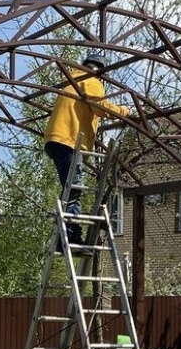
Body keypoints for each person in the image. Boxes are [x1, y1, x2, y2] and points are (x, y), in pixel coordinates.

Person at [43, 53, 128, 245]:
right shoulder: (90, 80)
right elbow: (101, 107)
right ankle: (69, 235)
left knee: (70, 188)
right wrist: (124, 111)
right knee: (74, 188)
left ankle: (64, 234)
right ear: (99, 71)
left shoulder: (72, 79)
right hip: (69, 140)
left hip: (56, 139)